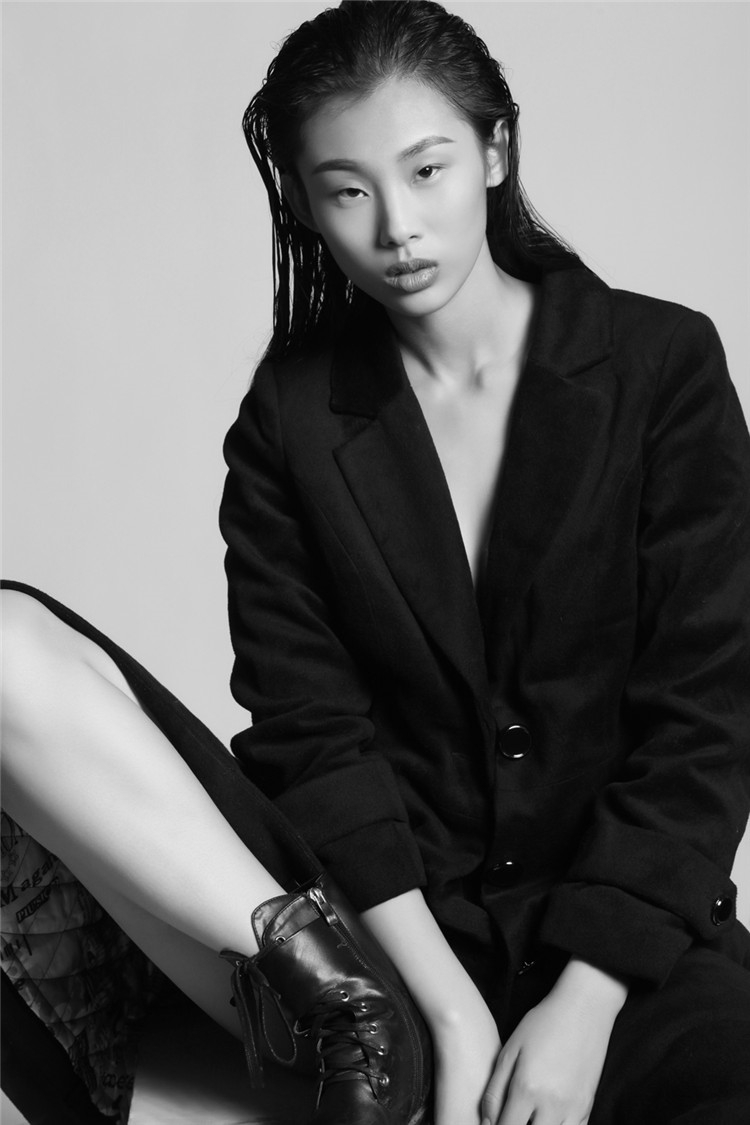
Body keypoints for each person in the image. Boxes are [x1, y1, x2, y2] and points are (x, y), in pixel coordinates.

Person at [3, 2, 750, 1124]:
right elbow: (310, 732)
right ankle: (352, 1024)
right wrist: (447, 1012)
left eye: (427, 170)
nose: (398, 227)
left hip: (624, 947)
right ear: (306, 205)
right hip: (376, 939)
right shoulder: (290, 417)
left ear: (495, 151)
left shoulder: (662, 366)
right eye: (347, 191)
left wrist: (584, 1006)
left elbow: (708, 713)